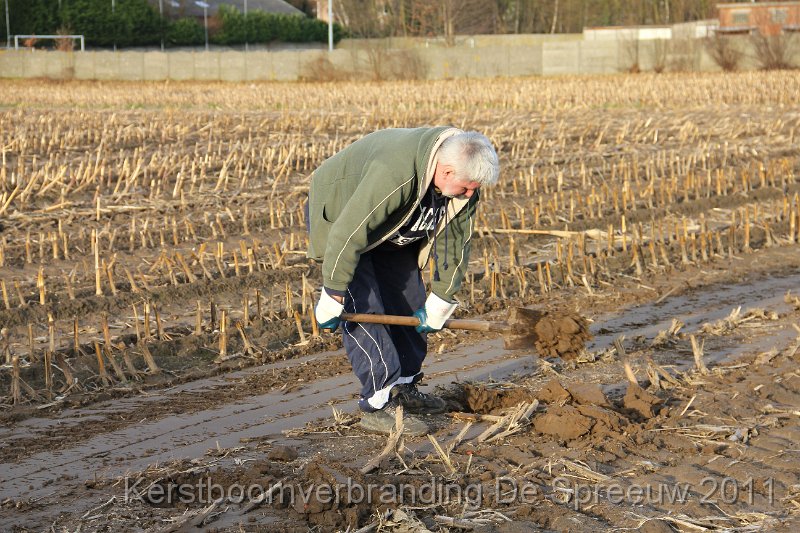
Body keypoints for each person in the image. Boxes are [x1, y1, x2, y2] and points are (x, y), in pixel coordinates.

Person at [307, 127, 500, 436]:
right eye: (465, 188)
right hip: (345, 216)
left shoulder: (461, 184)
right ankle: (378, 403)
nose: (469, 194)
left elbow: (456, 242)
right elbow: (348, 232)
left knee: (409, 300)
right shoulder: (393, 172)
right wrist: (333, 293)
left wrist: (442, 297)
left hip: (391, 226)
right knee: (366, 306)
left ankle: (403, 388)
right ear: (446, 170)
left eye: (473, 189)